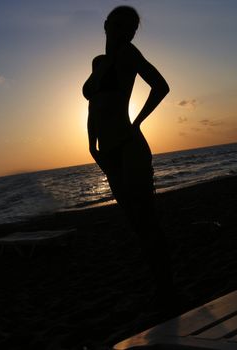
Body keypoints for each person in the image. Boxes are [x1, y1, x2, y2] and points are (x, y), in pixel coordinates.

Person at [82, 6, 174, 307]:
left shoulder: (130, 54)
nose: (126, 30)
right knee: (135, 223)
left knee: (146, 221)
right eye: (120, 24)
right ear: (106, 25)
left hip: (129, 146)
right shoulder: (98, 62)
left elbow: (161, 86)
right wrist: (92, 146)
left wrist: (138, 121)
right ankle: (161, 285)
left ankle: (167, 289)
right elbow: (92, 107)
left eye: (132, 27)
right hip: (107, 153)